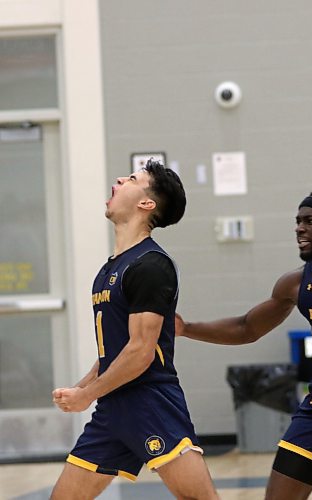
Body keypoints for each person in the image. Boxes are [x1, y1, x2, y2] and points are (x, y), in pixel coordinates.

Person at [176, 189, 312, 500]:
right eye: (297, 221)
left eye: (310, 221)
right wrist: (187, 328)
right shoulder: (296, 283)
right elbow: (247, 328)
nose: (299, 228)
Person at [51, 160, 219, 499]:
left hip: (149, 401)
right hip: (113, 407)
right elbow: (115, 350)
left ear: (147, 204)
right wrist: (80, 388)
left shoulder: (151, 265)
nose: (119, 179)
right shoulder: (110, 268)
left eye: (132, 179)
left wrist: (87, 394)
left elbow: (140, 353)